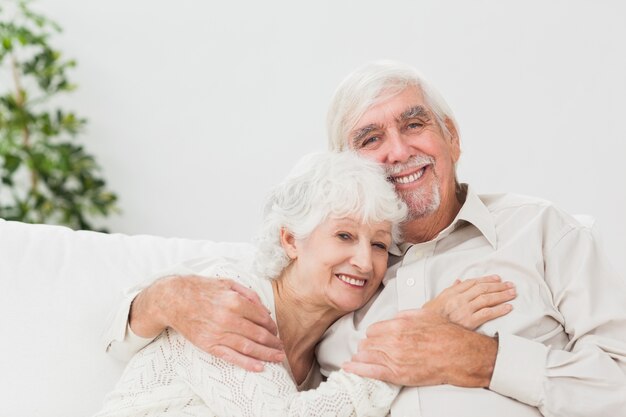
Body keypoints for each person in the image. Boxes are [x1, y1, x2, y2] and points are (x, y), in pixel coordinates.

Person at [104, 61, 626, 416]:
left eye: (414, 124)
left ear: (453, 138)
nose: (397, 151)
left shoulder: (543, 231)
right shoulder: (332, 274)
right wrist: (160, 298)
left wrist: (481, 359)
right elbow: (217, 303)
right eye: (370, 139)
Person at [95, 151, 514, 416]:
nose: (365, 261)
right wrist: (415, 336)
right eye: (345, 236)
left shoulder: (322, 359)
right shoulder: (229, 299)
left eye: (380, 244)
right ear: (291, 239)